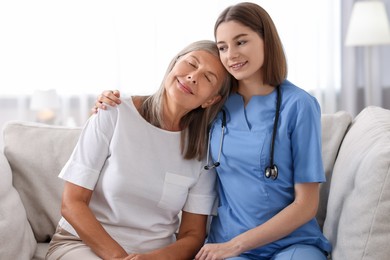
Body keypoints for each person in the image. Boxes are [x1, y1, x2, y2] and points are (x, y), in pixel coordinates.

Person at [93, 2, 332, 259]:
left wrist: (237, 245)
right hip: (225, 244)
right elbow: (165, 112)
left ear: (266, 40)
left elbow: (306, 205)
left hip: (290, 243)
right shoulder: (214, 101)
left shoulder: (299, 105)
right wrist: (110, 105)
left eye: (241, 42)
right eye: (223, 47)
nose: (231, 55)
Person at [46, 40, 232, 260]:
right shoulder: (113, 112)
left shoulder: (204, 151)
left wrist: (154, 258)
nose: (193, 76)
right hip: (82, 245)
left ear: (211, 99)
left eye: (208, 78)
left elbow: (192, 235)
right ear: (173, 64)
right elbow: (72, 203)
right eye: (191, 64)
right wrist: (119, 257)